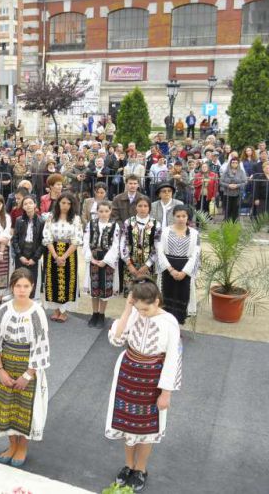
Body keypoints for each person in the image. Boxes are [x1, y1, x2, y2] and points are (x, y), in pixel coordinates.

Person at [106, 277, 182, 492]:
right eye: (138, 308)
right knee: (126, 423)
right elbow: (116, 340)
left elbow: (172, 359)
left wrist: (166, 392)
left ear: (157, 301)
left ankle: (141, 468)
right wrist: (128, 311)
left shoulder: (169, 323)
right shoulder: (134, 314)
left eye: (145, 309)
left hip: (152, 379)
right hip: (128, 374)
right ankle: (128, 465)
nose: (142, 313)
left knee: (147, 426)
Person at [0, 268, 50, 467]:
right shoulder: (4, 309)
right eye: (18, 286)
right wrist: (0, 370)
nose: (22, 290)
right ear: (12, 287)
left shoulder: (37, 312)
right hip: (6, 364)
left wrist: (28, 375)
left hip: (27, 366)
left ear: (32, 287)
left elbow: (41, 345)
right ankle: (12, 445)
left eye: (26, 286)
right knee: (6, 406)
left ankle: (22, 446)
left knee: (25, 407)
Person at [156, 205, 201, 326]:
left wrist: (184, 272)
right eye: (178, 216)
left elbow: (196, 255)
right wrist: (170, 270)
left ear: (188, 217)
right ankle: (165, 327)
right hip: (168, 268)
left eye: (184, 216)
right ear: (173, 216)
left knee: (182, 297)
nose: (181, 219)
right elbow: (159, 251)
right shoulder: (164, 231)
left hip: (185, 270)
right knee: (166, 298)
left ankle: (176, 328)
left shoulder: (195, 234)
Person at [42, 192, 83, 322]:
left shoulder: (76, 219)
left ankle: (64, 311)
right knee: (52, 281)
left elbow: (77, 240)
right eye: (63, 203)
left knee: (67, 281)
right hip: (52, 252)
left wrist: (63, 257)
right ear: (58, 203)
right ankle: (55, 310)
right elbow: (47, 237)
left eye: (68, 203)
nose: (65, 206)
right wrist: (56, 256)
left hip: (69, 253)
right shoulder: (50, 217)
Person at [83, 201, 121, 328]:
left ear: (110, 211)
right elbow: (86, 240)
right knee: (94, 288)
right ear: (97, 212)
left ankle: (101, 314)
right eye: (101, 211)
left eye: (106, 211)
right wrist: (90, 258)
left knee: (105, 288)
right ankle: (94, 313)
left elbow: (116, 245)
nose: (103, 214)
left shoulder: (115, 225)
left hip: (107, 259)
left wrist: (105, 261)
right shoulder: (91, 223)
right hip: (94, 257)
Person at [120, 197, 162, 291]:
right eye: (140, 206)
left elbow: (157, 247)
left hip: (149, 265)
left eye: (145, 206)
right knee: (132, 294)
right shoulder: (128, 222)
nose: (143, 208)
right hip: (131, 264)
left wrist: (147, 264)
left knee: (147, 294)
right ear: (136, 207)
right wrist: (129, 264)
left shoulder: (156, 224)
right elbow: (123, 244)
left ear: (149, 208)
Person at [11, 196, 45, 300]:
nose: (28, 205)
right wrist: (19, 255)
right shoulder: (19, 220)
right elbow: (15, 239)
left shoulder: (42, 221)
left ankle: (29, 302)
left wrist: (35, 258)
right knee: (19, 278)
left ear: (35, 205)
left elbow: (43, 241)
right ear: (23, 206)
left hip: (33, 255)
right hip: (21, 254)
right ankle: (18, 301)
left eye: (30, 203)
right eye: (25, 204)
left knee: (31, 280)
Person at [219, 158, 247, 222]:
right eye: (233, 162)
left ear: (238, 164)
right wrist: (228, 185)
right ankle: (226, 224)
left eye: (236, 163)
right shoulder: (226, 172)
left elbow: (245, 182)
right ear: (230, 163)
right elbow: (221, 181)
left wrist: (237, 185)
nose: (234, 164)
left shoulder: (241, 172)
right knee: (227, 210)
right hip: (227, 193)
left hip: (237, 193)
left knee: (235, 210)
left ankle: (234, 224)